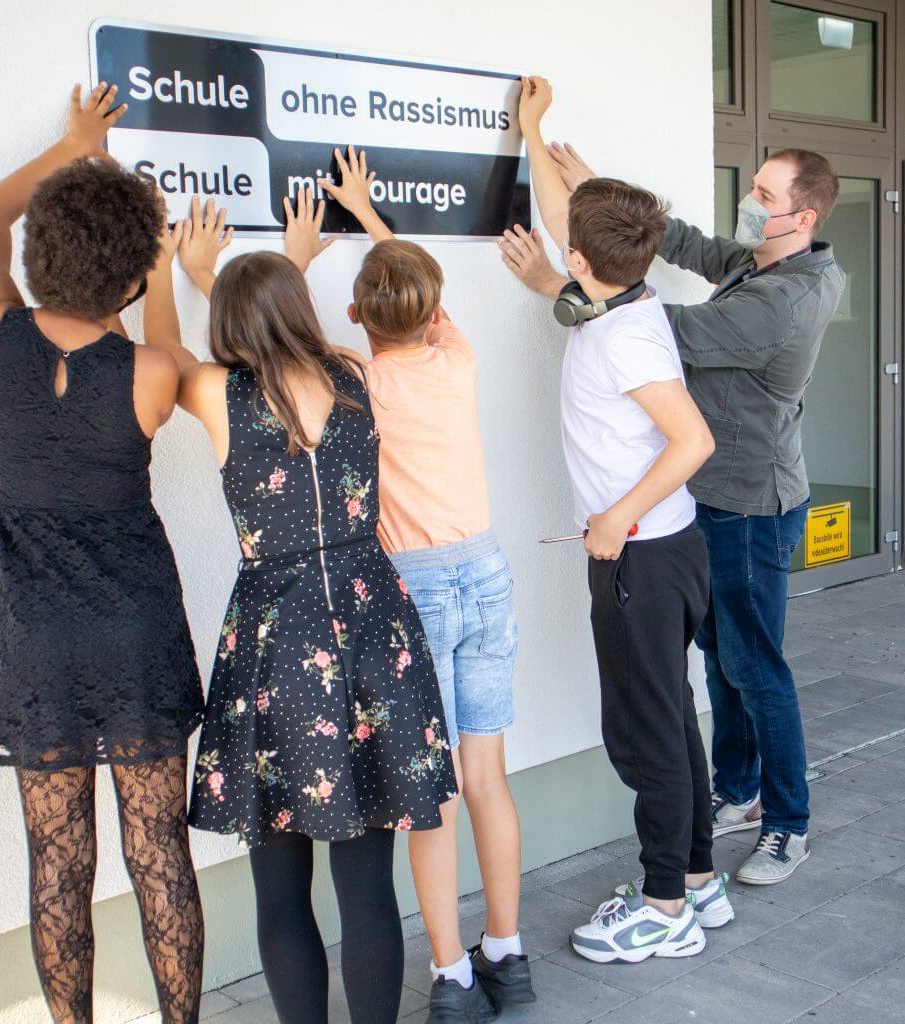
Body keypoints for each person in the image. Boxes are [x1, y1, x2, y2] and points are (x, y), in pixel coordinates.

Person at [142, 186, 458, 1024]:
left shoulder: (218, 396)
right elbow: (291, 340)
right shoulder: (354, 375)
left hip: (277, 643)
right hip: (371, 624)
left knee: (280, 886)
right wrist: (288, 267)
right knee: (368, 888)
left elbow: (165, 351)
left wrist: (179, 270)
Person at [502, 137, 843, 887]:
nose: (750, 202)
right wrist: (607, 196)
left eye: (764, 194)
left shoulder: (786, 300)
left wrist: (555, 281)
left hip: (750, 501)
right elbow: (683, 244)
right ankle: (739, 792)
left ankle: (788, 822)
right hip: (702, 499)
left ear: (804, 215)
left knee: (755, 666)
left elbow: (652, 331)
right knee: (719, 662)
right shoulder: (765, 261)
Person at [0, 84, 205, 1024]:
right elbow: (170, 351)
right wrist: (167, 276)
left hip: (37, 643)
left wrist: (74, 146)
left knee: (59, 865)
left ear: (36, 254)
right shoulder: (149, 372)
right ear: (134, 277)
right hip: (136, 632)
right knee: (160, 857)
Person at [505, 76, 731, 966]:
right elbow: (582, 226)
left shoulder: (619, 335)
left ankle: (664, 905)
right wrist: (535, 135)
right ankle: (700, 881)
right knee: (671, 715)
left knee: (645, 733)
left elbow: (693, 440)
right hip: (669, 551)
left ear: (581, 260)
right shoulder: (623, 298)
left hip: (640, 552)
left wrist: (613, 520)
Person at [310, 146, 531, 1023]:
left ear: (358, 313)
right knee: (487, 777)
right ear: (438, 313)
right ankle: (507, 956)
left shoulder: (356, 382)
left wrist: (308, 251)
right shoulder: (459, 359)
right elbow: (420, 297)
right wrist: (372, 219)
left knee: (426, 794)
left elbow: (282, 338)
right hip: (487, 569)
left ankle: (452, 977)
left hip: (416, 595)